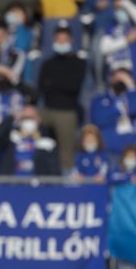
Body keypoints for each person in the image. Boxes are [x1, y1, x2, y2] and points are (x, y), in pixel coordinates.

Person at [37, 25, 86, 171]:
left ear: (71, 41)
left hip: (67, 111)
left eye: (65, 39)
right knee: (28, 120)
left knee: (66, 151)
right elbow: (42, 87)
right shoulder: (47, 63)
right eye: (58, 39)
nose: (61, 42)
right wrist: (59, 83)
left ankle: (66, 174)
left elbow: (73, 87)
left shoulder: (79, 63)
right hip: (47, 109)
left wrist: (53, 83)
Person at [0, 104, 60, 176]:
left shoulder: (47, 142)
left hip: (36, 184)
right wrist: (13, 117)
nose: (28, 121)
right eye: (25, 118)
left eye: (31, 118)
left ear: (38, 119)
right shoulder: (11, 138)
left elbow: (54, 174)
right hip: (12, 184)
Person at [91, 68, 136, 157]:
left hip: (130, 151)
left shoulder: (132, 97)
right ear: (111, 78)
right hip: (108, 150)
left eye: (125, 78)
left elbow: (135, 110)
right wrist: (117, 108)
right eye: (119, 77)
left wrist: (131, 87)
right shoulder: (99, 100)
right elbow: (99, 120)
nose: (121, 80)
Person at [99, 0, 136, 84]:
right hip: (114, 74)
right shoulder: (111, 26)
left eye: (122, 7)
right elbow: (104, 48)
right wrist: (126, 40)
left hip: (133, 74)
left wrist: (126, 3)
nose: (120, 10)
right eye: (117, 8)